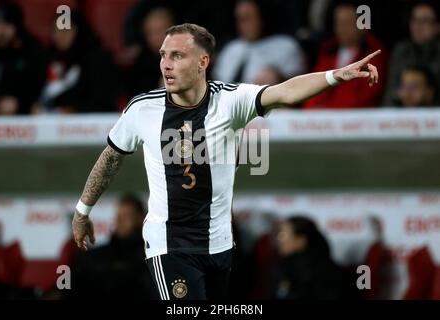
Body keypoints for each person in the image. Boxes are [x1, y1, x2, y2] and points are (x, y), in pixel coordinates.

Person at [71, 23, 380, 300]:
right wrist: (83, 211)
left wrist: (334, 75)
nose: (166, 64)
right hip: (170, 246)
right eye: (164, 55)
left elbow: (285, 92)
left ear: (203, 62)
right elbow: (111, 157)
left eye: (177, 56)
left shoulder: (230, 100)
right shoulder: (142, 109)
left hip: (220, 245)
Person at [71, 194, 156, 299]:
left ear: (140, 219)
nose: (119, 221)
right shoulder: (94, 256)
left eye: (126, 217)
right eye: (118, 216)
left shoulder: (150, 255)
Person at [303, 1, 386, 109]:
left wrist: (326, 111)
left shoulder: (374, 54)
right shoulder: (327, 52)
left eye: (348, 23)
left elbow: (367, 97)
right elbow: (313, 89)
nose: (343, 28)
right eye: (339, 23)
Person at [34, 12, 118, 114]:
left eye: (65, 30)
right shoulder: (47, 57)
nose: (60, 35)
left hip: (89, 123)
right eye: (55, 31)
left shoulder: (97, 58)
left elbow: (102, 99)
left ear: (78, 30)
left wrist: (74, 110)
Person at [213, 0, 305, 85]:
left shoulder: (285, 46)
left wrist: (278, 79)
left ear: (261, 17)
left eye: (247, 18)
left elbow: (299, 86)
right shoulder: (232, 48)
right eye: (239, 19)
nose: (241, 24)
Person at [0, 2, 45, 115]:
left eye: (5, 25)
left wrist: (20, 104)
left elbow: (42, 89)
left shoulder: (32, 50)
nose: (0, 32)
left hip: (24, 118)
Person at [271, 216, 345, 299]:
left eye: (283, 235)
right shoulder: (280, 267)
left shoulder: (326, 272)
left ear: (301, 240)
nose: (278, 240)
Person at [383, 1, 440, 105]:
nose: (418, 26)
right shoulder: (401, 51)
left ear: (437, 26)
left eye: (424, 21)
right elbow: (391, 92)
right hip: (402, 115)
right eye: (415, 20)